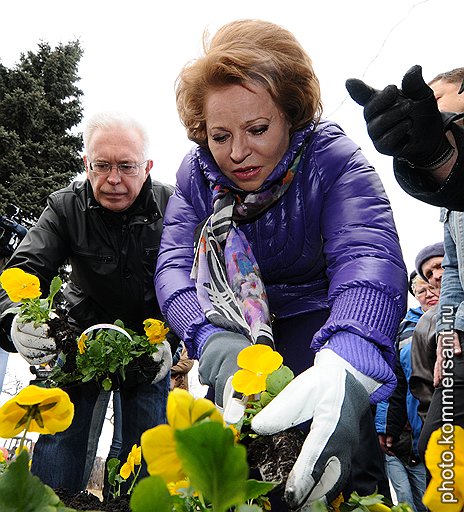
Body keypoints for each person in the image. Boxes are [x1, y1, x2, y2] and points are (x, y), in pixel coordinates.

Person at [155, 19, 407, 510]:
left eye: (257, 129)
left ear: (291, 114)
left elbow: (367, 254)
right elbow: (174, 263)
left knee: (342, 467)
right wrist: (210, 338)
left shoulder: (333, 159)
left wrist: (350, 355)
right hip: (236, 329)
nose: (237, 153)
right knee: (245, 474)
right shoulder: (196, 176)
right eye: (219, 135)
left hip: (325, 323)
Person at [0, 112, 177, 493]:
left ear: (147, 166)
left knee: (146, 449)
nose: (114, 179)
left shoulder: (174, 208)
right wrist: (13, 318)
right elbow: (24, 269)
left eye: (127, 166)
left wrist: (172, 341)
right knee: (63, 436)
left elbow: (191, 282)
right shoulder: (65, 207)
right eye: (102, 165)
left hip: (148, 344)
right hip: (79, 334)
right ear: (86, 164)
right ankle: (51, 501)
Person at [346, 67, 464, 460]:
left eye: (436, 101)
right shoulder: (451, 208)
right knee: (442, 454)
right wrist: (447, 338)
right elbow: (454, 281)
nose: (423, 110)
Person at [375, 265, 440, 512]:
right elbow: (394, 380)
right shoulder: (404, 329)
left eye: (432, 287)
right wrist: (385, 427)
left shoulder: (456, 314)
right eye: (420, 291)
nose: (428, 294)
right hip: (419, 433)